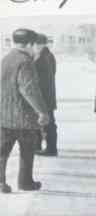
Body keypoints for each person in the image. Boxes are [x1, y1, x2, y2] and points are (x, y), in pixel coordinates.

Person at [0, 29, 50, 193]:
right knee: (27, 151)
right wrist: (42, 111)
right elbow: (29, 89)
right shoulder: (25, 61)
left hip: (5, 115)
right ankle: (25, 182)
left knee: (2, 152)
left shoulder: (6, 59)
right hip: (24, 116)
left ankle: (1, 182)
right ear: (29, 44)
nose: (35, 48)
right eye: (34, 45)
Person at [33, 33, 58, 157]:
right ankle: (46, 147)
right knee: (47, 122)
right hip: (48, 96)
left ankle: (51, 148)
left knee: (47, 123)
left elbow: (41, 79)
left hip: (44, 96)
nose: (35, 46)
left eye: (37, 44)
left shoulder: (42, 58)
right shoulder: (48, 56)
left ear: (42, 44)